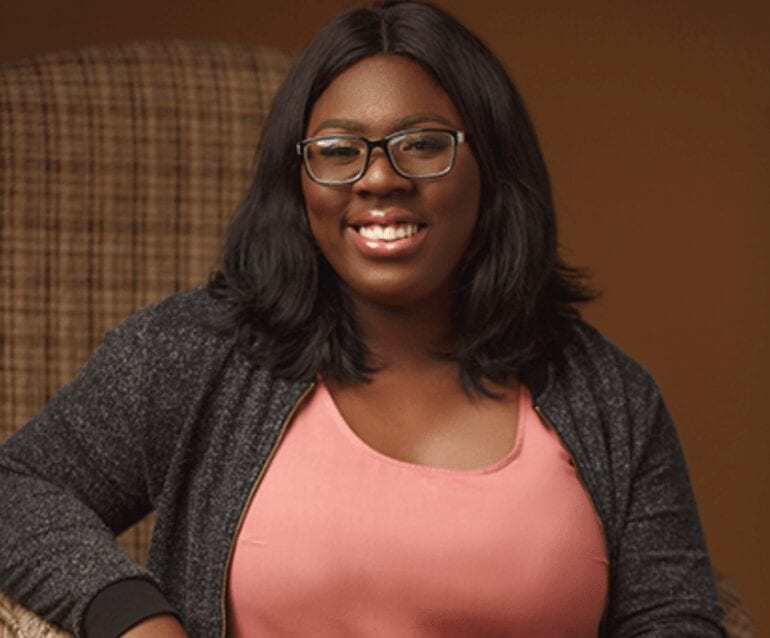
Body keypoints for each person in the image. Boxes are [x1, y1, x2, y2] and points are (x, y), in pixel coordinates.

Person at [0, 1, 725, 636]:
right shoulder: (190, 353)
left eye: (422, 144)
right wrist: (132, 614)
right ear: (299, 180)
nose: (380, 177)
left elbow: (674, 617)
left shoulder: (611, 397)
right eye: (339, 151)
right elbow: (16, 488)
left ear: (492, 167)